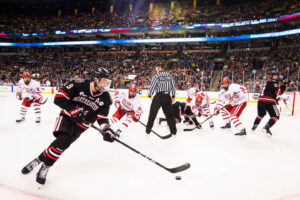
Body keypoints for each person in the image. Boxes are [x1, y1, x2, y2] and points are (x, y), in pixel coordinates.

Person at [21, 67, 117, 186]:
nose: (106, 84)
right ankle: (45, 168)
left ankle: (37, 160)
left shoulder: (106, 98)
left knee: (60, 145)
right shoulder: (78, 85)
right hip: (67, 118)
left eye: (107, 82)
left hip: (82, 126)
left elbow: (102, 117)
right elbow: (59, 98)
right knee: (63, 142)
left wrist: (106, 129)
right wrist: (74, 110)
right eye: (104, 81)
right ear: (95, 79)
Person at [146, 66, 176, 135]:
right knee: (169, 115)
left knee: (152, 114)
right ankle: (173, 131)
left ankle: (148, 130)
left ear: (160, 68)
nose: (156, 69)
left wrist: (150, 94)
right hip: (167, 96)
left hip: (159, 96)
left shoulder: (157, 76)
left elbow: (153, 86)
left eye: (157, 68)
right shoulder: (170, 76)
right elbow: (173, 87)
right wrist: (173, 96)